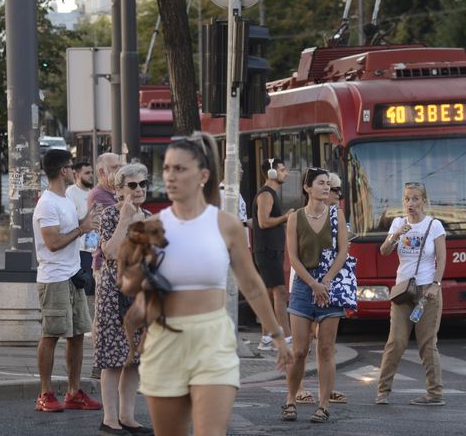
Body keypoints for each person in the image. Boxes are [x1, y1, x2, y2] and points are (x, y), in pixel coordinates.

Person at [125, 132, 291, 436]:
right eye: (167, 169)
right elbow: (127, 283)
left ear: (203, 175)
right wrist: (135, 255)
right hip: (165, 338)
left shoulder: (226, 225)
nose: (171, 177)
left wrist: (278, 335)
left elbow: (253, 285)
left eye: (180, 169)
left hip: (212, 339)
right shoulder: (151, 227)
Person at [32, 149, 102, 412]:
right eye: (71, 167)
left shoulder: (64, 200)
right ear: (64, 171)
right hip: (54, 279)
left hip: (73, 276)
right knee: (51, 335)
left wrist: (86, 221)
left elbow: (74, 232)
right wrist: (81, 229)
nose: (74, 171)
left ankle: (74, 392)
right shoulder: (47, 203)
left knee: (76, 335)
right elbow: (52, 243)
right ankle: (45, 393)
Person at [282, 167, 348, 424]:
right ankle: (290, 398)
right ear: (307, 187)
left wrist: (326, 282)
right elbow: (293, 257)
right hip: (303, 286)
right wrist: (312, 284)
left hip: (330, 284)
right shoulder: (295, 217)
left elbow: (343, 252)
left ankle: (323, 404)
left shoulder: (336, 214)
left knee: (326, 348)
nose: (326, 188)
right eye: (321, 183)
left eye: (329, 185)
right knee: (299, 350)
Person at [93, 163, 152, 435]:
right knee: (114, 359)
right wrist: (126, 220)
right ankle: (109, 418)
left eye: (142, 184)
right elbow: (111, 253)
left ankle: (128, 416)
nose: (139, 189)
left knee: (134, 359)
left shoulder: (150, 217)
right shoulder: (108, 215)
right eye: (132, 185)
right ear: (118, 190)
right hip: (113, 295)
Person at [376, 181, 446, 406]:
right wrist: (396, 234)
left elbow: (442, 258)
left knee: (427, 343)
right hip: (403, 292)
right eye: (407, 199)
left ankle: (434, 393)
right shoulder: (398, 223)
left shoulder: (434, 225)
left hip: (427, 292)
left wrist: (436, 283)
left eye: (415, 198)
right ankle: (383, 391)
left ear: (424, 201)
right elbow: (384, 251)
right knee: (395, 342)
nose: (411, 203)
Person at [252, 158, 294, 350]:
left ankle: (267, 337)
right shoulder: (266, 195)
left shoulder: (270, 194)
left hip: (269, 249)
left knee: (270, 293)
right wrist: (286, 217)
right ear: (272, 173)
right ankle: (284, 336)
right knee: (280, 292)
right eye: (282, 170)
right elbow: (263, 222)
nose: (286, 173)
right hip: (267, 250)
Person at [87, 153, 121, 380]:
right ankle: (100, 364)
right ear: (102, 172)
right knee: (103, 315)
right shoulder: (101, 196)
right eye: (115, 167)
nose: (119, 171)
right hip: (104, 264)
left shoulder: (109, 194)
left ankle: (106, 361)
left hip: (112, 263)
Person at [65, 161, 96, 310]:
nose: (91, 176)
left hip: (95, 246)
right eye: (87, 173)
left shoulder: (94, 192)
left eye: (92, 172)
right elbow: (72, 222)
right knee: (85, 287)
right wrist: (89, 213)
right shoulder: (70, 193)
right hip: (80, 247)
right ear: (77, 174)